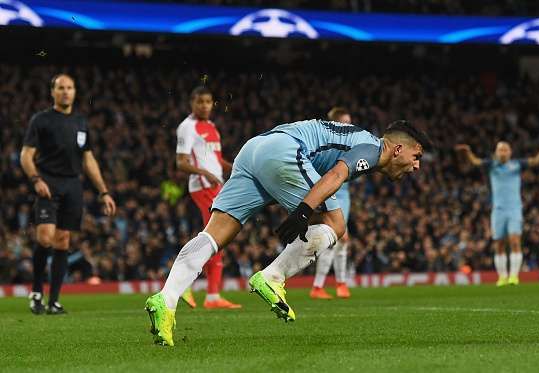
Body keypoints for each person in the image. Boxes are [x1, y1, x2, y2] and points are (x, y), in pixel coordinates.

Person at [146, 118, 431, 346]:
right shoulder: (372, 148)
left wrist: (306, 208)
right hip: (285, 149)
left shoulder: (362, 141)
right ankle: (272, 277)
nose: (416, 166)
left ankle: (166, 299)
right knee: (336, 224)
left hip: (254, 148)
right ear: (397, 149)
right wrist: (306, 209)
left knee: (216, 233)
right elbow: (336, 176)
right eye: (416, 156)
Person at [20, 74, 116, 314]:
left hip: (73, 185)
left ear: (74, 92)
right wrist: (36, 179)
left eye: (70, 88)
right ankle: (36, 292)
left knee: (63, 240)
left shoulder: (81, 122)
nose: (65, 92)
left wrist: (103, 191)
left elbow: (88, 158)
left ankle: (53, 301)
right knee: (45, 238)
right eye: (61, 88)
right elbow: (25, 155)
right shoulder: (41, 120)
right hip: (48, 182)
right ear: (52, 92)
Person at [455, 142, 539, 286]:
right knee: (499, 244)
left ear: (510, 152)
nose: (503, 152)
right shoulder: (491, 165)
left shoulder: (517, 164)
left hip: (514, 209)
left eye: (505, 149)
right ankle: (502, 276)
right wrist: (468, 152)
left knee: (515, 241)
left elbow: (535, 161)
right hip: (498, 210)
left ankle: (514, 276)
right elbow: (475, 161)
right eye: (500, 150)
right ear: (496, 152)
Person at [174, 86, 241, 309]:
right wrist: (206, 174)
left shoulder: (211, 127)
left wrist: (238, 168)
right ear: (192, 103)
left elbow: (216, 160)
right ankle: (188, 287)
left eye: (208, 102)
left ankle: (212, 295)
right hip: (203, 186)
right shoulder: (187, 127)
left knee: (215, 239)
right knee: (215, 238)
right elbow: (181, 162)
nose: (204, 106)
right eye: (200, 101)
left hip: (216, 185)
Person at [310, 107, 353, 300]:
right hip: (331, 193)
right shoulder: (325, 145)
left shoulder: (351, 145)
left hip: (345, 196)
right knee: (336, 239)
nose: (348, 127)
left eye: (349, 123)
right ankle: (322, 286)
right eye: (344, 123)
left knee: (341, 242)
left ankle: (337, 284)